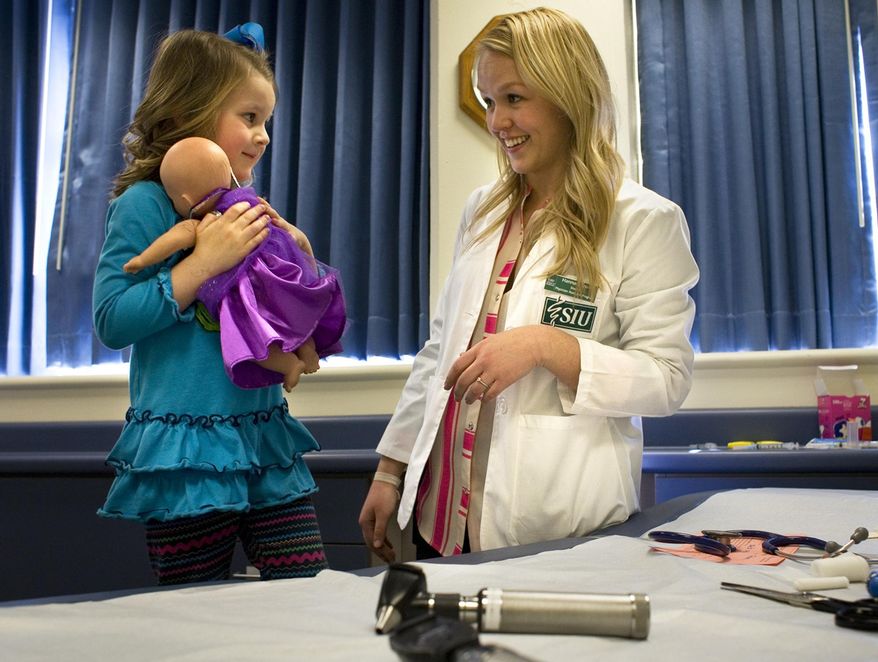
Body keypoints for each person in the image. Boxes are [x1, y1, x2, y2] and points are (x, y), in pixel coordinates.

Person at [358, 7, 700, 561]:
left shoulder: (641, 220)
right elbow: (440, 351)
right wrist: (391, 469)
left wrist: (547, 346)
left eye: (514, 99)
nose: (497, 122)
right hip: (438, 519)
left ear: (569, 96)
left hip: (554, 525)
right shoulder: (482, 212)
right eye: (491, 102)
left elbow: (667, 378)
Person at [93, 24, 331, 584]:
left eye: (265, 121)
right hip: (186, 452)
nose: (264, 135)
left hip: (262, 435)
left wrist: (301, 255)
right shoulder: (144, 204)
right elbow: (111, 318)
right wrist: (200, 266)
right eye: (249, 118)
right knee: (194, 609)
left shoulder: (247, 207)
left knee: (306, 588)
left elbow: (281, 300)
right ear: (185, 119)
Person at [122, 136, 346, 392]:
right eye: (250, 117)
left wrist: (142, 260)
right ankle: (307, 348)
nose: (264, 136)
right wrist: (299, 245)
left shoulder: (210, 221)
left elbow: (176, 237)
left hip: (252, 289)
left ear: (184, 199)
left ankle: (288, 366)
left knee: (252, 333)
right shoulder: (251, 203)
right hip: (283, 274)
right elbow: (285, 237)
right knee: (291, 315)